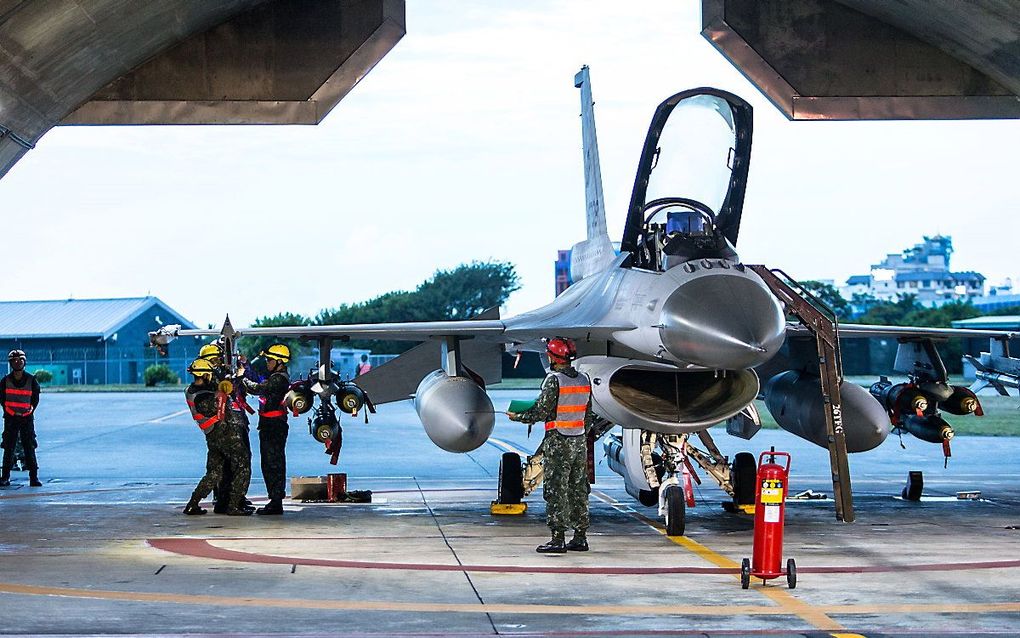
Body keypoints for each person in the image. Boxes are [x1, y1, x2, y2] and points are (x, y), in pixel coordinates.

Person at [507, 337, 599, 553]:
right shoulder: (583, 379)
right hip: (579, 441)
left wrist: (518, 416)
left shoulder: (554, 380)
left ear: (552, 357)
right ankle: (580, 536)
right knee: (578, 489)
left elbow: (540, 411)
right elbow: (588, 415)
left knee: (557, 489)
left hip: (559, 441)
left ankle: (557, 539)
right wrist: (580, 433)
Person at [182, 358, 253, 516]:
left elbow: (218, 388)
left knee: (214, 473)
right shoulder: (203, 398)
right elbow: (220, 405)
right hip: (226, 436)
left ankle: (192, 504)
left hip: (213, 437)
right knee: (243, 466)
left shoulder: (191, 390)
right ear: (206, 375)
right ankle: (234, 506)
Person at [199, 341, 254, 513]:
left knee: (235, 464)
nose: (220, 364)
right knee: (231, 465)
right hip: (224, 427)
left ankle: (236, 498)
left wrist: (243, 366)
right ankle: (226, 501)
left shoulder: (223, 374)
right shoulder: (210, 380)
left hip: (237, 422)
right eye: (216, 360)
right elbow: (224, 391)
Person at [237, 344, 291, 515]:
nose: (267, 362)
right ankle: (274, 500)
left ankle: (276, 502)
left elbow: (257, 388)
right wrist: (245, 367)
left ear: (279, 362)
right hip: (270, 424)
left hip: (274, 426)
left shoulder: (279, 379)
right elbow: (258, 380)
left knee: (273, 463)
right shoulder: (274, 376)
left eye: (270, 360)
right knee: (270, 462)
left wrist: (241, 379)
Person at [1, 349, 41, 487]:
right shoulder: (5, 381)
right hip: (11, 419)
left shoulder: (31, 380)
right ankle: (5, 477)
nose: (17, 363)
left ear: (25, 362)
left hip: (26, 419)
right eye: (15, 361)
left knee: (29, 447)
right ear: (11, 363)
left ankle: (34, 478)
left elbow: (35, 399)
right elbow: (2, 400)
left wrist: (29, 411)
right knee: (8, 447)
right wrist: (11, 412)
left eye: (20, 360)